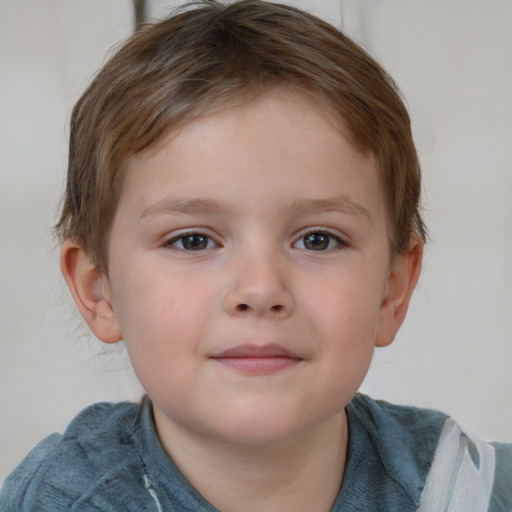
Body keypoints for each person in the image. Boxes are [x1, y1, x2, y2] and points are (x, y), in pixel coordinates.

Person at [1, 1, 510, 510]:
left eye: (318, 239)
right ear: (99, 290)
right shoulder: (59, 499)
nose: (261, 289)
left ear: (392, 291)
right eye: (193, 240)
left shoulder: (470, 488)